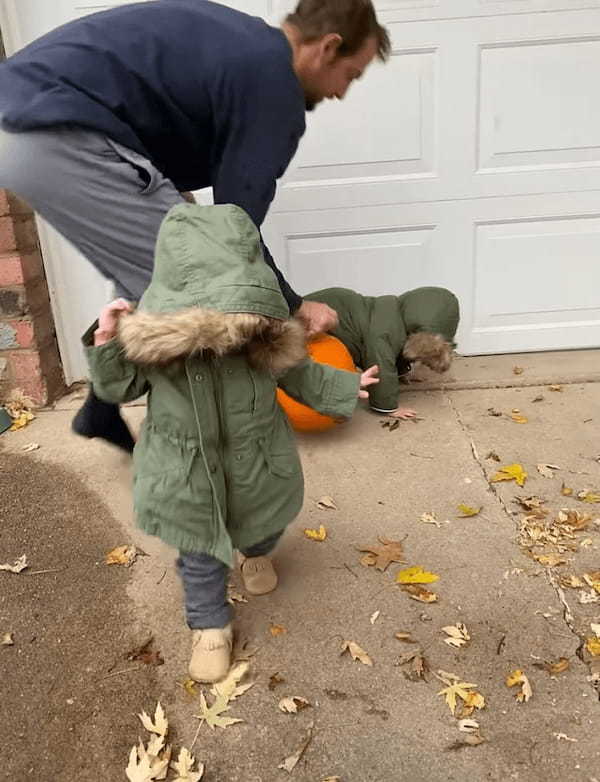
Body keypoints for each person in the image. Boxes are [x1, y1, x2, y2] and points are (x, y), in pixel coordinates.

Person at [0, 0, 390, 451]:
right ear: (328, 47)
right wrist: (296, 306)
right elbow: (233, 233)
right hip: (52, 128)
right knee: (196, 288)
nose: (342, 93)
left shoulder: (243, 47)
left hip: (30, 121)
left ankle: (101, 409)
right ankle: (188, 453)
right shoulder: (272, 81)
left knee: (166, 257)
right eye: (351, 75)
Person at [84, 202, 379, 682]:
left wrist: (344, 387)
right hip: (186, 468)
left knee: (263, 522)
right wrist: (108, 344)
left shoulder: (263, 338)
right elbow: (118, 389)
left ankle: (256, 551)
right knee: (199, 550)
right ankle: (210, 626)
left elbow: (299, 375)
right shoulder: (156, 342)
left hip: (255, 457)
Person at [306, 286, 459, 417]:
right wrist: (389, 407)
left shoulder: (395, 318)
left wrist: (402, 372)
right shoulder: (384, 332)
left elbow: (399, 348)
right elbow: (380, 365)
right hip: (322, 319)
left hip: (335, 307)